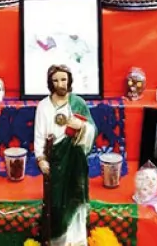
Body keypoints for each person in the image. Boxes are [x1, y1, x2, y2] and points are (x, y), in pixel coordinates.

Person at [34, 64, 96, 246]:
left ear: (69, 80)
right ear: (50, 83)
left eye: (63, 79)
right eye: (55, 80)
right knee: (56, 205)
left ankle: (76, 240)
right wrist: (41, 158)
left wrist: (82, 127)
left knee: (76, 198)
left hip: (75, 161)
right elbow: (38, 136)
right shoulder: (43, 106)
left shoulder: (78, 104)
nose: (60, 84)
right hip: (56, 160)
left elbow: (92, 129)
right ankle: (58, 240)